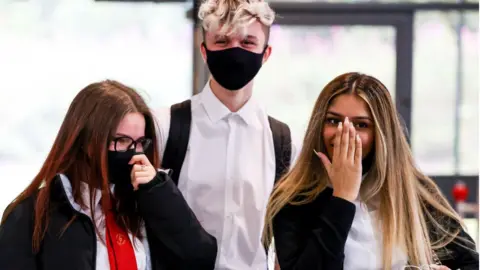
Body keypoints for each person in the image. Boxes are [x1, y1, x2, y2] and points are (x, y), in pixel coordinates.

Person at [263, 72, 479, 270]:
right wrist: (342, 197)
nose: (344, 132)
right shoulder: (295, 200)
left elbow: (471, 263)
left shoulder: (414, 192)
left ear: (382, 135)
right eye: (333, 121)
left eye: (361, 125)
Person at [0, 80, 217, 270]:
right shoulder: (33, 216)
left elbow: (200, 259)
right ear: (87, 142)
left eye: (141, 143)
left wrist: (160, 192)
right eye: (122, 141)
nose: (135, 153)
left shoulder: (148, 204)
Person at [155, 0, 295, 269]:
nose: (234, 51)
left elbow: (288, 237)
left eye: (247, 42)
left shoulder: (283, 141)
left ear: (265, 54)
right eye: (221, 41)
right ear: (204, 51)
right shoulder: (165, 126)